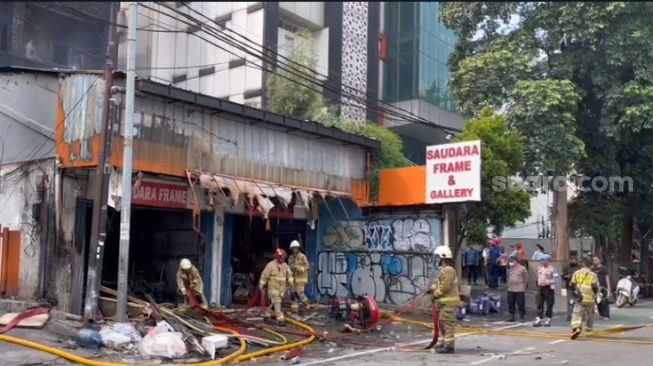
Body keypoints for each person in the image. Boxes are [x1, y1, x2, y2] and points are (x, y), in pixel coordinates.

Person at [427, 246, 461, 354]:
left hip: (449, 304)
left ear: (443, 257)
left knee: (447, 324)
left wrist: (435, 295)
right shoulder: (444, 270)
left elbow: (444, 287)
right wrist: (431, 289)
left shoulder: (448, 270)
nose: (437, 260)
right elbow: (439, 284)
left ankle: (449, 346)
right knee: (442, 323)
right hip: (445, 303)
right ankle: (445, 342)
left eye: (438, 257)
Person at [259, 248, 294, 326]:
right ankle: (280, 320)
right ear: (277, 257)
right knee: (277, 303)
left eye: (284, 257)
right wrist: (262, 284)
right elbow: (264, 275)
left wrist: (291, 282)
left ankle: (267, 314)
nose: (283, 259)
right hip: (273, 289)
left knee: (274, 303)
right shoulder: (271, 265)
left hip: (281, 290)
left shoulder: (285, 265)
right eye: (281, 257)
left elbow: (290, 275)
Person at [570, 258, 599, 340]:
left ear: (582, 265)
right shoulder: (593, 274)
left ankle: (576, 328)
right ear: (591, 265)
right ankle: (589, 331)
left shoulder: (576, 273)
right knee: (590, 315)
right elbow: (594, 286)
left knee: (577, 313)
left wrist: (575, 293)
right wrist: (596, 294)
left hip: (580, 297)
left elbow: (572, 284)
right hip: (590, 298)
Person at [533, 254, 556, 327]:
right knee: (539, 303)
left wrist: (548, 282)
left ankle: (548, 318)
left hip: (548, 288)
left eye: (543, 260)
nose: (541, 261)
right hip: (540, 288)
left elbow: (556, 279)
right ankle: (538, 318)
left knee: (549, 304)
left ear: (548, 261)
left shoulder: (552, 269)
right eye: (541, 260)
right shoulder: (540, 268)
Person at [288, 240, 310, 313]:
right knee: (293, 294)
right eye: (293, 248)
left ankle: (307, 304)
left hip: (301, 279)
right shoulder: (290, 257)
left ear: (298, 249)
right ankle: (294, 309)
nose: (294, 250)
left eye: (296, 248)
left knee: (300, 293)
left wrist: (300, 269)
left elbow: (307, 266)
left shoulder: (302, 256)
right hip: (293, 279)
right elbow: (289, 267)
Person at [506, 253, 528, 322]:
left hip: (519, 288)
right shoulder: (510, 268)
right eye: (510, 260)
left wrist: (524, 286)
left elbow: (526, 278)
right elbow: (508, 277)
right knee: (510, 303)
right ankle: (511, 316)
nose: (511, 261)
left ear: (516, 260)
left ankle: (522, 316)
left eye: (512, 260)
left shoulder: (522, 268)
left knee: (520, 303)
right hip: (511, 288)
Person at [592, 256, 611, 320]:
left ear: (600, 260)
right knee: (598, 302)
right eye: (593, 260)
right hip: (595, 288)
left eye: (596, 260)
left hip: (603, 287)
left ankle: (606, 315)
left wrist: (608, 289)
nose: (595, 261)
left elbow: (607, 278)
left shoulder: (604, 268)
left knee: (604, 302)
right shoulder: (593, 269)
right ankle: (602, 315)